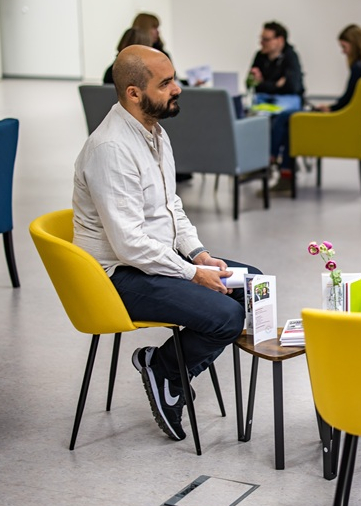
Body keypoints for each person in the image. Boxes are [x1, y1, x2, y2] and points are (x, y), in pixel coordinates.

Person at [73, 45, 260, 442]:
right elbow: (129, 246)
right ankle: (166, 370)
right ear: (133, 93)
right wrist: (194, 275)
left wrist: (198, 253)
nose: (178, 89)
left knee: (253, 286)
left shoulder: (155, 133)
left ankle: (166, 367)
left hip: (157, 258)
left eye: (174, 79)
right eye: (166, 83)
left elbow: (170, 206)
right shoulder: (111, 149)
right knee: (227, 316)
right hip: (117, 276)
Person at [268, 24, 361, 194]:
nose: (343, 52)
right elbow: (352, 101)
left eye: (344, 47)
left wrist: (330, 109)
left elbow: (346, 101)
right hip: (358, 125)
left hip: (342, 124)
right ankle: (282, 168)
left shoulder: (359, 68)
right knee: (290, 119)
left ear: (354, 45)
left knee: (288, 118)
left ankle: (272, 160)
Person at [248, 21, 304, 113]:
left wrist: (264, 83)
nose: (262, 43)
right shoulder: (260, 56)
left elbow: (292, 86)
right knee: (250, 112)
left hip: (286, 99)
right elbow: (252, 85)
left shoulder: (290, 56)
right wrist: (276, 84)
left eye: (266, 40)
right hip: (263, 98)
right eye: (261, 39)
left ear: (280, 40)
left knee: (274, 113)